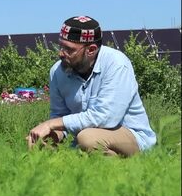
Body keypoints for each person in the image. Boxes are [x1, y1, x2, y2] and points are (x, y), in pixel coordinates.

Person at [26, 16, 157, 156]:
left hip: (132, 136)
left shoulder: (116, 64)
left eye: (69, 49)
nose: (61, 53)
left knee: (87, 138)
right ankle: (97, 164)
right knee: (43, 142)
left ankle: (129, 169)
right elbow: (60, 116)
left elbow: (106, 117)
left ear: (91, 50)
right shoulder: (57, 72)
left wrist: (50, 124)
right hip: (87, 138)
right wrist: (54, 136)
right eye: (61, 46)